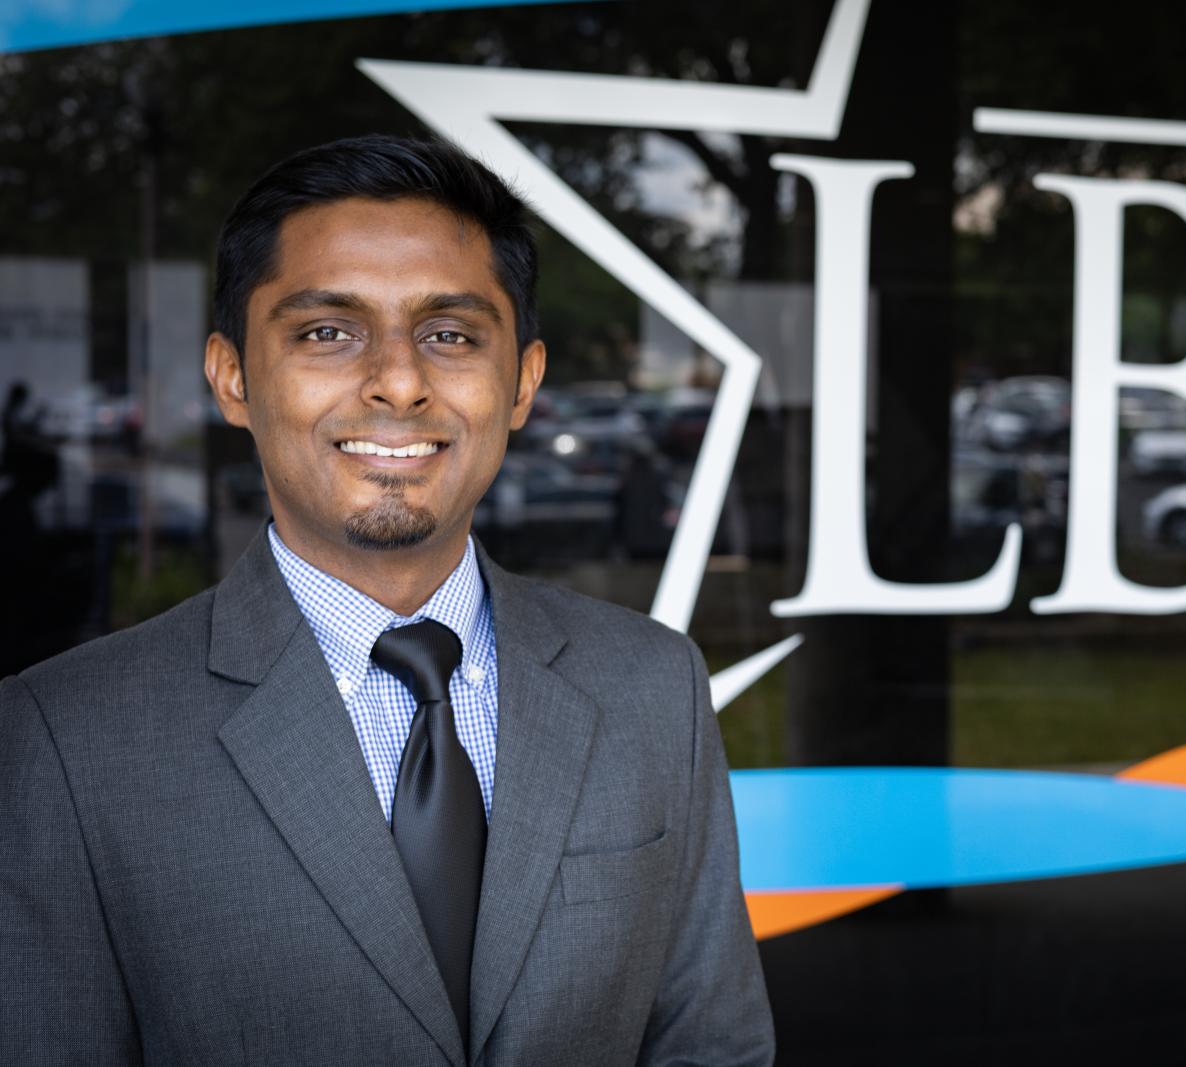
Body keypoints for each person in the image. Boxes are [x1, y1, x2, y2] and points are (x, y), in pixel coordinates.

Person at [0, 135, 775, 1066]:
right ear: (233, 376)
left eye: (449, 334)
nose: (400, 380)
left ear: (522, 381)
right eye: (328, 332)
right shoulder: (65, 736)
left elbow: (712, 1047)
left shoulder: (655, 685)